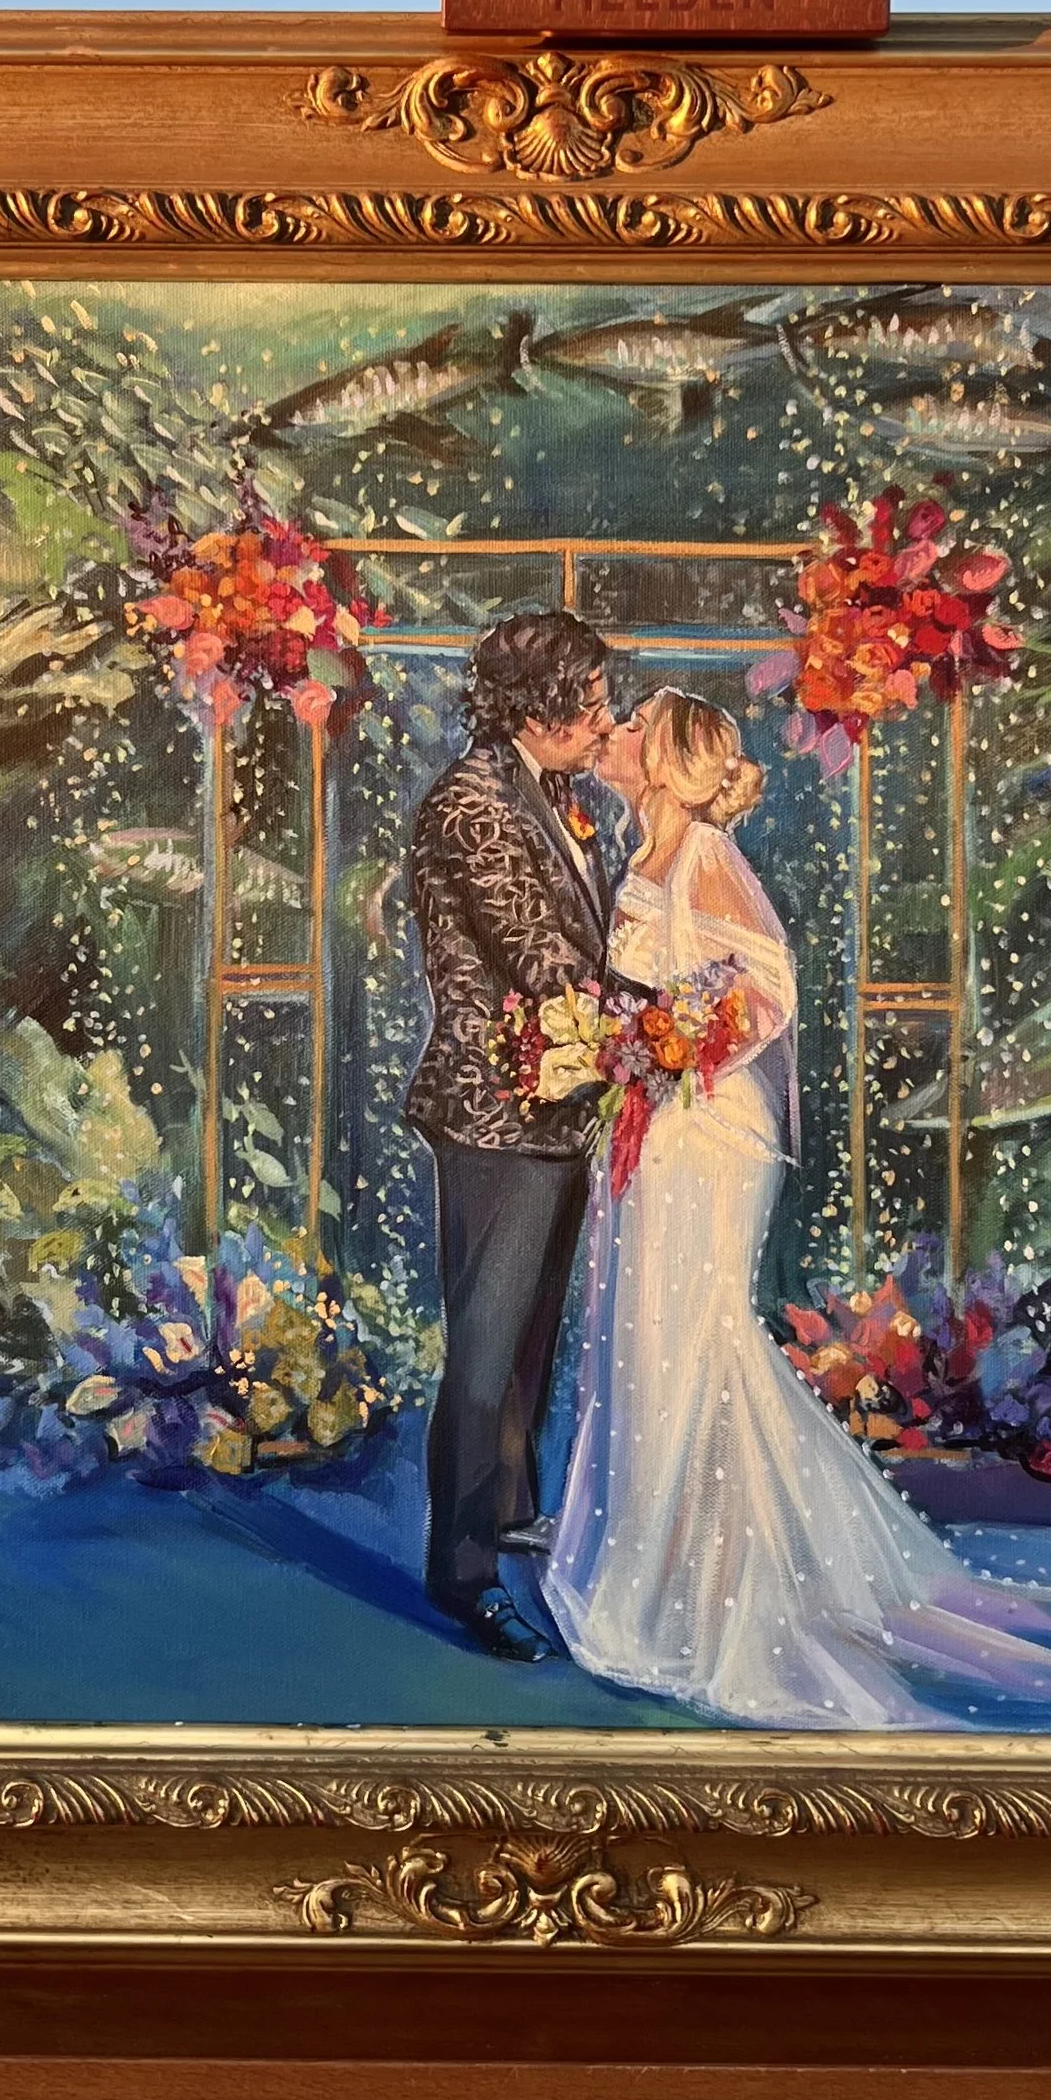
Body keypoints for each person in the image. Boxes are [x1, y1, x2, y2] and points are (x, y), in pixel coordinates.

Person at [541, 690, 1051, 1731]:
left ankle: (709, 1592)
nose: (606, 737)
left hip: (707, 1132)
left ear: (662, 760)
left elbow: (767, 990)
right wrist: (624, 1047)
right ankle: (663, 1570)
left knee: (690, 1339)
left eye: (625, 730)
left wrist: (670, 1045)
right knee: (647, 1341)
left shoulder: (705, 856)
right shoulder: (639, 856)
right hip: (654, 1123)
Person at [404, 608, 617, 1660]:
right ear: (543, 706)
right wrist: (671, 1017)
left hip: (558, 1110)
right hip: (496, 1113)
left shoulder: (557, 798)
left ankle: (512, 1509)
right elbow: (544, 961)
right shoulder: (472, 805)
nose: (607, 720)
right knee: (486, 1350)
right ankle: (464, 1571)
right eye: (594, 702)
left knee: (531, 1339)